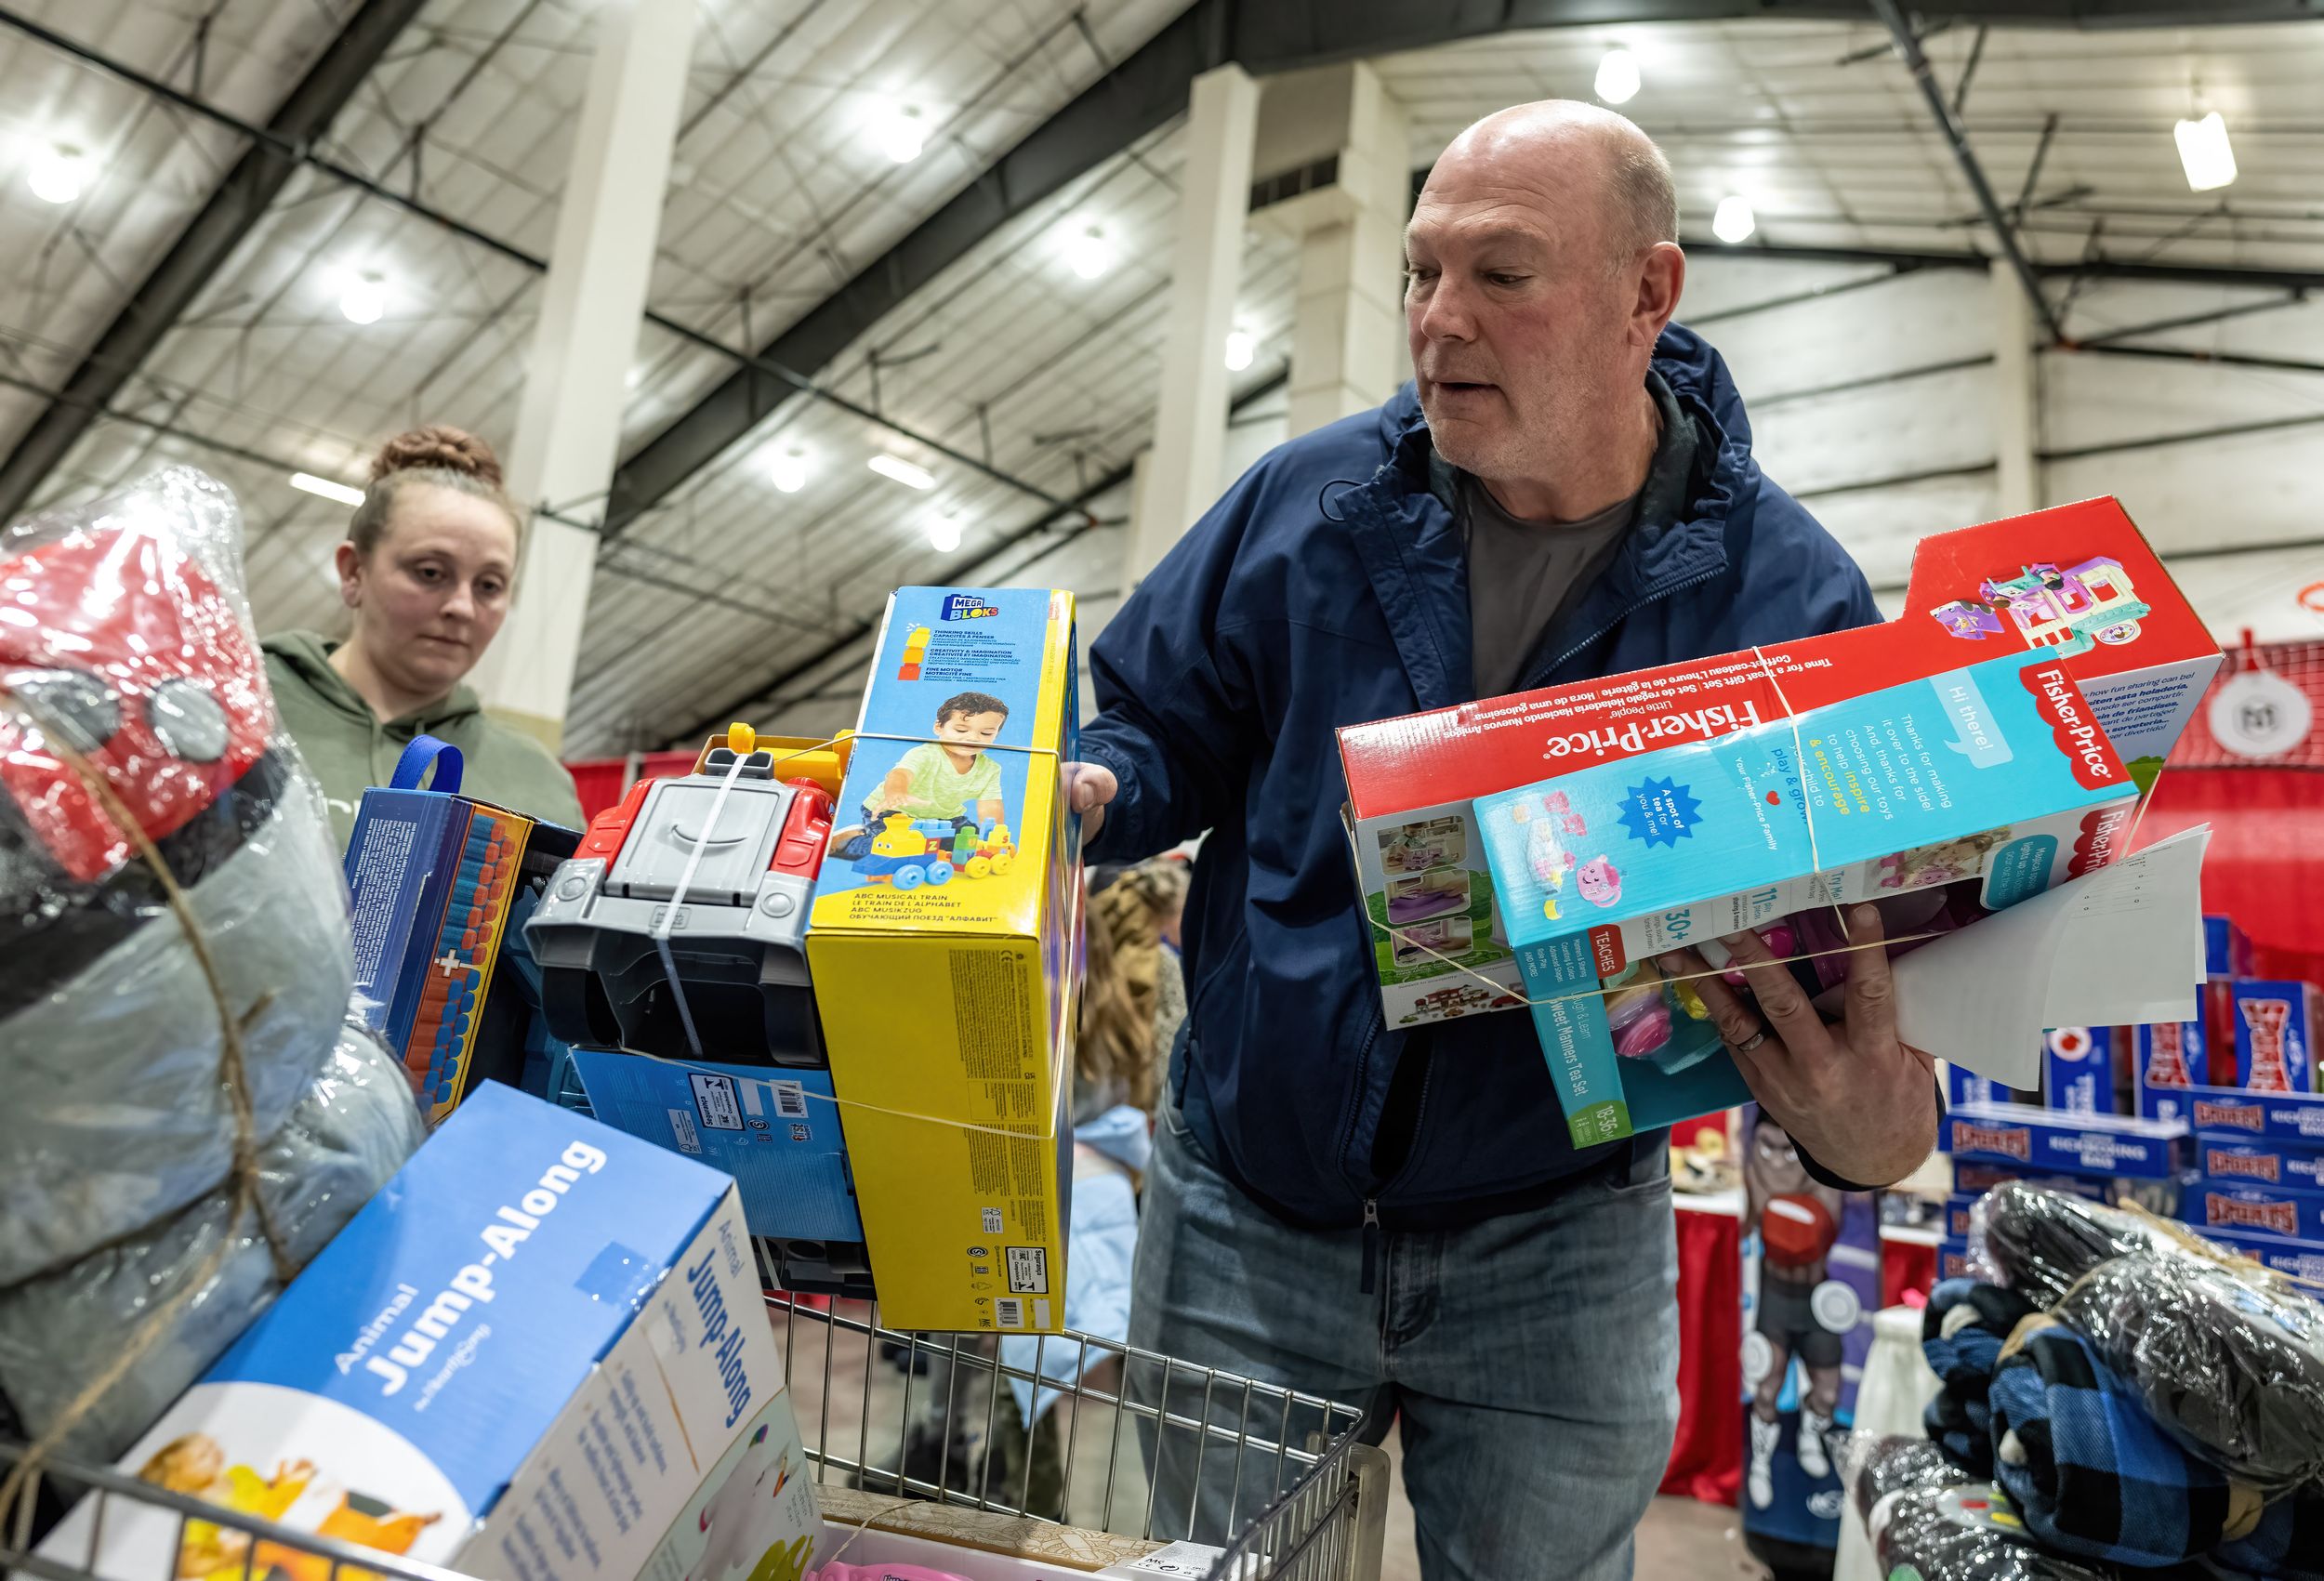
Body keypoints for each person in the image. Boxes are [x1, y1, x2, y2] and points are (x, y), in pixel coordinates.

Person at [1064, 101, 1939, 1579]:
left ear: (1647, 297)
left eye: (1501, 276)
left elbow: (1854, 968)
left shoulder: (1788, 603)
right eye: (1420, 272)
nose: (1435, 322)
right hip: (1248, 1207)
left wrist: (1867, 1137)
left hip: (1562, 1238)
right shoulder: (1310, 503)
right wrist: (1084, 786)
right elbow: (1153, 723)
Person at [263, 426, 582, 845]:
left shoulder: (538, 784)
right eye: (430, 573)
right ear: (354, 572)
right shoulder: (247, 710)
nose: (462, 608)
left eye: (488, 585)